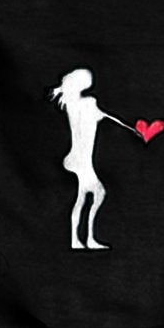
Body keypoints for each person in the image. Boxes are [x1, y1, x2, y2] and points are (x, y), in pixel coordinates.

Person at [48, 67, 140, 249]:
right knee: (97, 193)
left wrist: (128, 127)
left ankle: (79, 239)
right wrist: (131, 129)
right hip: (82, 160)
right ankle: (85, 238)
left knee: (85, 196)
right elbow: (106, 116)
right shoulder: (89, 103)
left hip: (77, 157)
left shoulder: (72, 104)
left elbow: (106, 116)